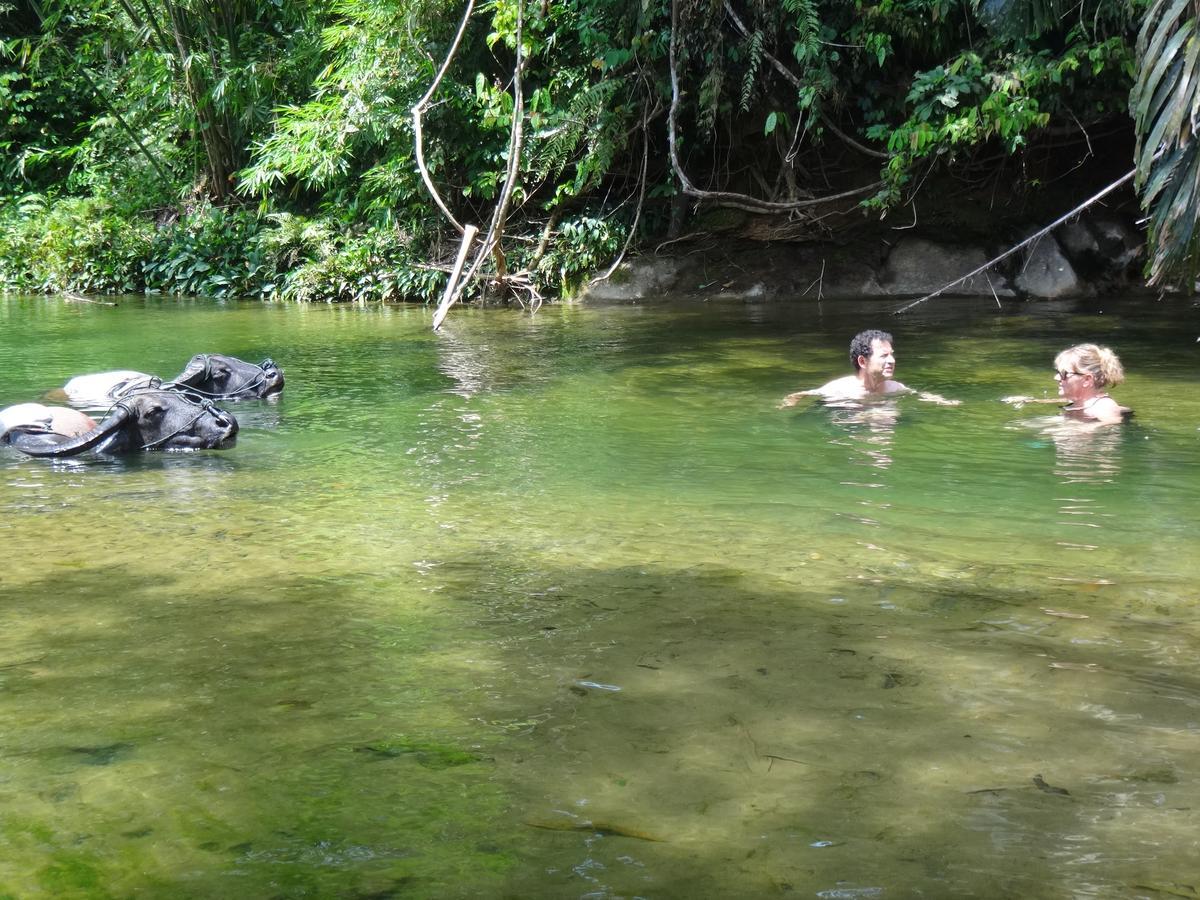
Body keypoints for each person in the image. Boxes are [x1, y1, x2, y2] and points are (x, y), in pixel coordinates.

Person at [780, 329, 959, 407]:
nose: (892, 360)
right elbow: (804, 394)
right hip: (849, 426)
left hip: (879, 429)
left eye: (891, 354)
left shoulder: (894, 387)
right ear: (863, 361)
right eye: (883, 355)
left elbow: (917, 394)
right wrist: (789, 403)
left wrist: (941, 401)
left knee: (885, 414)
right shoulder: (839, 389)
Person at [1002, 343, 1130, 424]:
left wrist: (1076, 430)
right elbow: (1067, 404)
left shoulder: (1103, 406)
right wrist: (1032, 400)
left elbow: (1112, 426)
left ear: (1087, 380)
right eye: (1057, 372)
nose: (1056, 377)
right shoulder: (1078, 401)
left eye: (1064, 374)